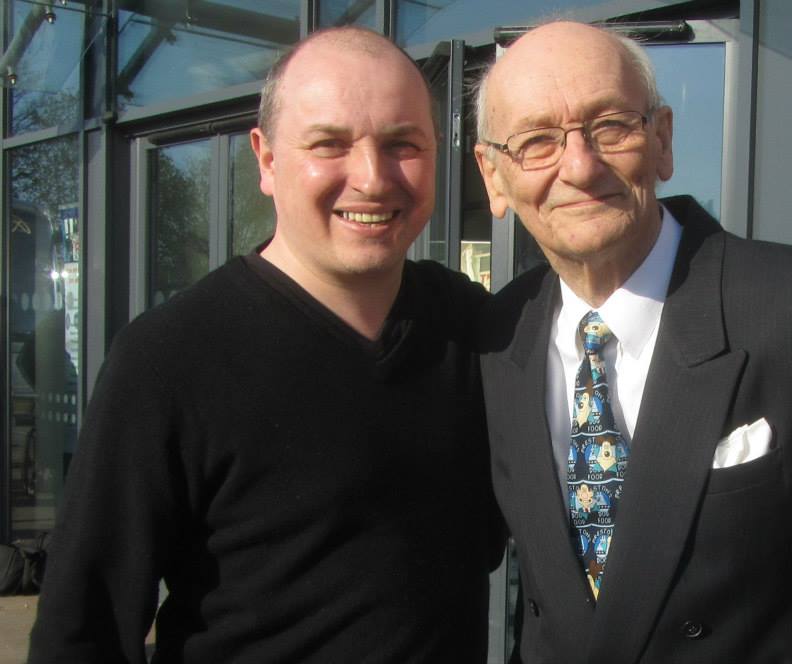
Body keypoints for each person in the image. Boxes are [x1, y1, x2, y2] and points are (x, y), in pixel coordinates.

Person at [473, 21, 792, 664]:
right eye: (536, 142)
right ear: (494, 177)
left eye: (611, 126)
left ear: (662, 141)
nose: (579, 167)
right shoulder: (494, 339)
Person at [29, 26, 502, 663]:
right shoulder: (170, 358)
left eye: (403, 144)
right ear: (267, 159)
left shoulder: (473, 329)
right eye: (329, 144)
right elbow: (84, 627)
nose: (372, 178)